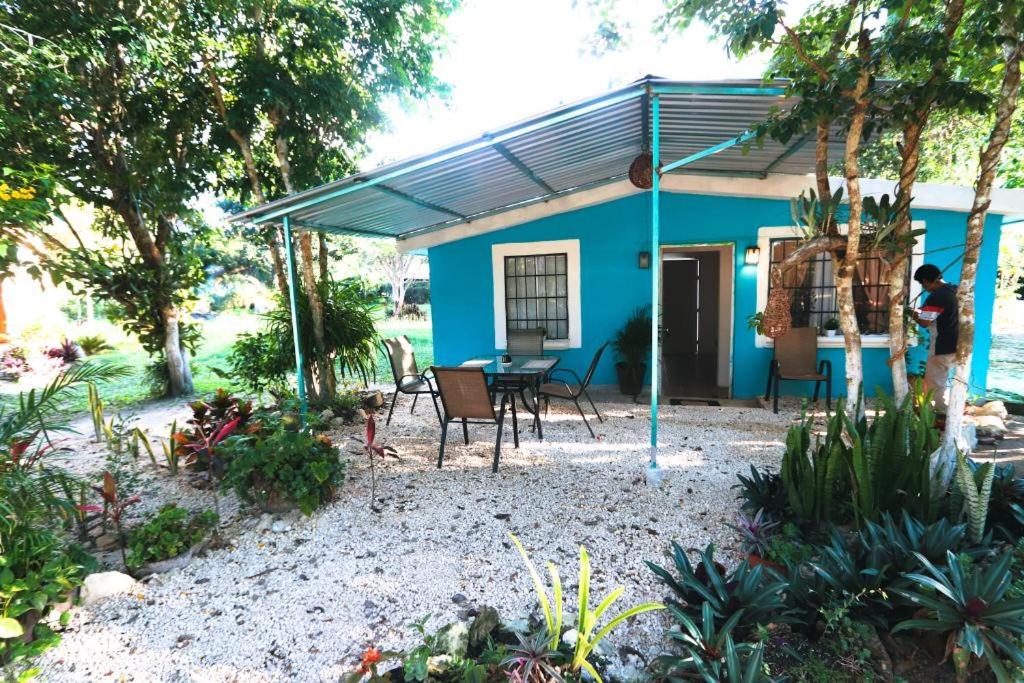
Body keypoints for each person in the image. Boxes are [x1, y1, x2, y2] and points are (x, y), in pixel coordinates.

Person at [911, 264, 958, 417]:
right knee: (943, 381)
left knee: (934, 384)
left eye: (921, 283)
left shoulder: (938, 296)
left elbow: (924, 322)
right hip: (957, 344)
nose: (923, 287)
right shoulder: (954, 290)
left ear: (925, 280)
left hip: (942, 345)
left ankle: (937, 416)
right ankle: (943, 413)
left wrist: (910, 313)